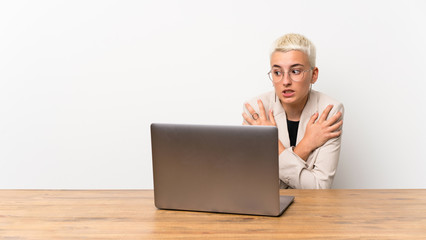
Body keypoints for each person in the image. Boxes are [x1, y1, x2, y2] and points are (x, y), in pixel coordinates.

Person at [242, 33, 344, 189]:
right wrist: (305, 145)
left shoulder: (329, 111)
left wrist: (275, 151)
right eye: (277, 72)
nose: (285, 81)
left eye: (295, 71)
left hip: (312, 210)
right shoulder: (255, 111)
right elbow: (256, 188)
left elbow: (319, 188)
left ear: (313, 75)